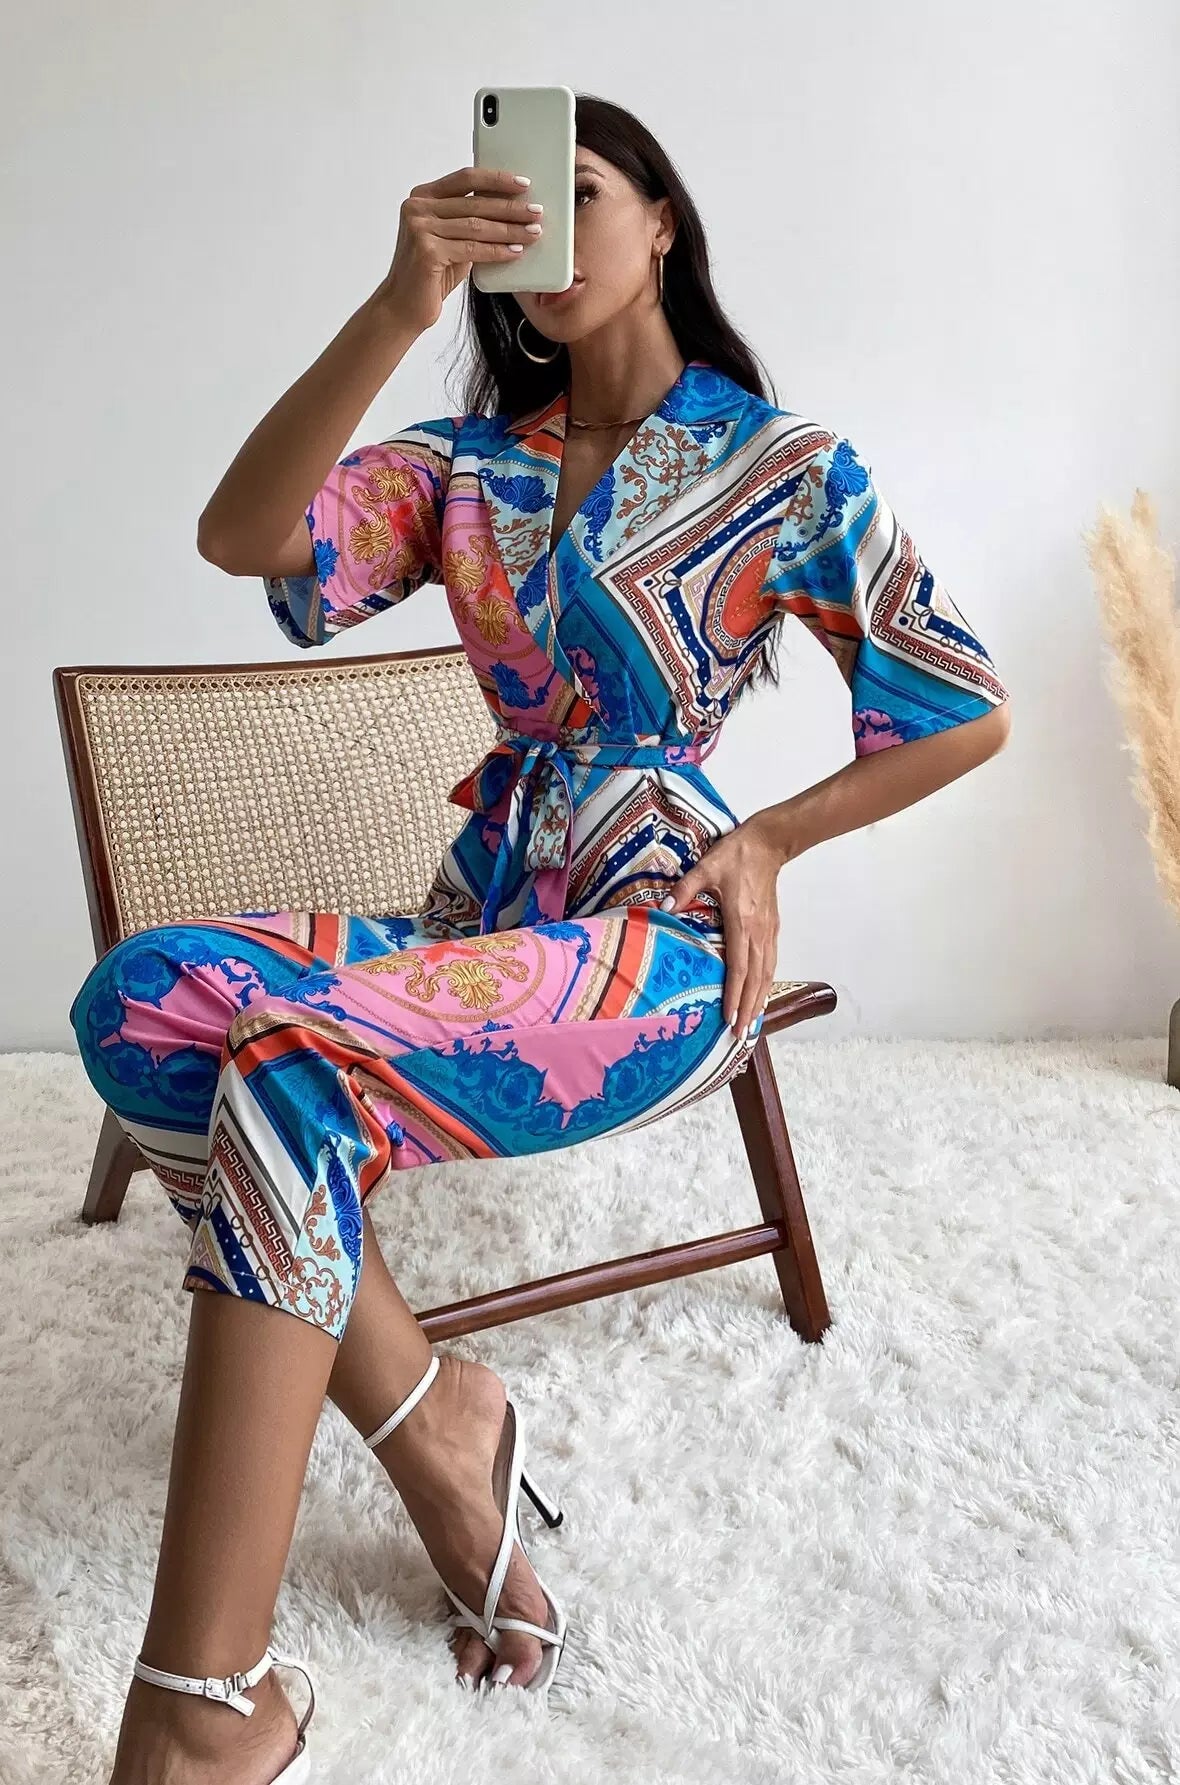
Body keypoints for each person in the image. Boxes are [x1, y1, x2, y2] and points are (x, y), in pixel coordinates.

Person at [69, 92, 1012, 1784]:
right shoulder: (468, 467)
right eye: (513, 204)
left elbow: (962, 705)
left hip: (655, 934)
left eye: (577, 192)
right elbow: (245, 541)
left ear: (661, 220)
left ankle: (202, 1708)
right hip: (480, 921)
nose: (543, 234)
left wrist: (767, 839)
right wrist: (398, 303)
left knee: (287, 1069)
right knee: (145, 1001)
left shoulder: (780, 467)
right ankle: (438, 1415)